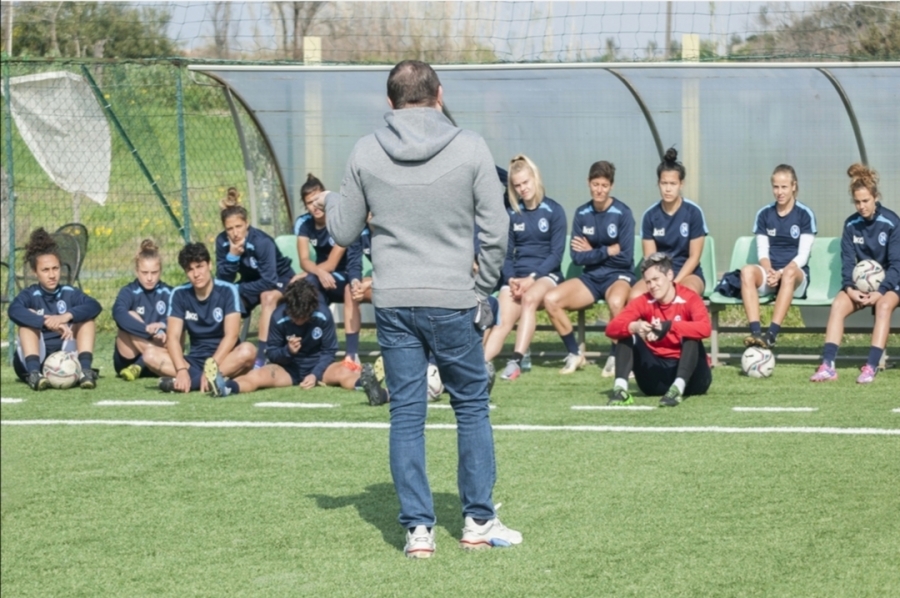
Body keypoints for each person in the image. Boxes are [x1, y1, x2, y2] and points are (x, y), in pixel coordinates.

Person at [321, 60, 521, 558]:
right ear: (439, 95)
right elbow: (497, 229)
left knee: (406, 415)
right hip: (454, 299)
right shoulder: (471, 146)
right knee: (471, 406)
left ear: (389, 103)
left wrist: (327, 198)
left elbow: (343, 232)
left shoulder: (367, 149)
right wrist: (483, 289)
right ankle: (477, 522)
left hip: (393, 302)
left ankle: (419, 532)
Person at [206, 279, 387, 403]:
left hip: (320, 368)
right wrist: (288, 351)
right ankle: (225, 388)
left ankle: (374, 390)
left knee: (343, 371)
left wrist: (314, 375)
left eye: (303, 317)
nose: (298, 321)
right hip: (288, 369)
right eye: (294, 317)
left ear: (311, 308)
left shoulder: (322, 314)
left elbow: (329, 351)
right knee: (257, 375)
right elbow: (272, 352)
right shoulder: (278, 316)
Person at [543, 160, 635, 375]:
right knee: (551, 299)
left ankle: (615, 355)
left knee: (615, 302)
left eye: (604, 185)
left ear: (611, 186)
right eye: (595, 184)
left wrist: (591, 251)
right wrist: (605, 251)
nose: (599, 190)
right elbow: (576, 257)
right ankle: (575, 353)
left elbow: (625, 257)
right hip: (591, 278)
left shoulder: (623, 213)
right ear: (588, 183)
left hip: (618, 276)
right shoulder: (582, 213)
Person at [810, 164, 899, 384]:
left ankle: (870, 367)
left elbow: (897, 265)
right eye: (857, 202)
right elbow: (848, 263)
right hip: (861, 286)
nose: (861, 206)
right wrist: (850, 288)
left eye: (865, 201)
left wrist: (881, 291)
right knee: (839, 304)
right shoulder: (850, 225)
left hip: (890, 283)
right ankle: (828, 366)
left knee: (884, 306)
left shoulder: (891, 222)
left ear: (875, 197)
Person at [483, 154, 567, 381]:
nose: (522, 188)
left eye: (525, 182)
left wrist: (532, 278)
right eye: (517, 185)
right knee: (500, 321)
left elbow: (556, 254)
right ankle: (478, 369)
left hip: (546, 275)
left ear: (535, 178)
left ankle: (516, 362)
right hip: (517, 278)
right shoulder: (511, 213)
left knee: (529, 299)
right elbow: (506, 254)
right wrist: (510, 278)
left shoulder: (554, 210)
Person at [605, 252, 712, 407]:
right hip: (655, 381)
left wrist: (670, 326)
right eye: (648, 282)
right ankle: (620, 390)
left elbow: (705, 329)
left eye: (656, 279)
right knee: (626, 332)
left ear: (669, 275)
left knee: (691, 333)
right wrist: (633, 326)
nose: (652, 286)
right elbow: (611, 329)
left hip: (693, 381)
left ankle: (677, 389)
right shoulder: (644, 301)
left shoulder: (689, 298)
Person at [8, 228, 102, 390]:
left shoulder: (69, 293)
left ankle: (85, 370)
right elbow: (13, 310)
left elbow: (95, 306)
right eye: (45, 270)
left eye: (55, 268)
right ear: (35, 272)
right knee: (26, 323)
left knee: (87, 319)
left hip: (64, 355)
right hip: (36, 356)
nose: (52, 275)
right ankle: (34, 374)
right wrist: (46, 322)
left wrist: (66, 316)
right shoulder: (29, 294)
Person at [159, 242, 256, 394]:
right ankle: (209, 381)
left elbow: (232, 336)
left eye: (199, 266)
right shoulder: (178, 294)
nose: (196, 274)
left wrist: (212, 367)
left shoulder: (228, 290)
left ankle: (193, 383)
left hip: (224, 358)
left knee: (248, 351)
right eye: (190, 269)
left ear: (210, 265)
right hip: (193, 361)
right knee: (150, 355)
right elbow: (173, 337)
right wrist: (181, 369)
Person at [215, 187, 296, 369]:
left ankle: (262, 357)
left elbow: (269, 281)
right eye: (230, 228)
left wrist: (238, 289)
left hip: (280, 279)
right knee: (224, 299)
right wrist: (232, 257)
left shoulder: (261, 241)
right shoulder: (222, 242)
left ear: (247, 224)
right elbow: (223, 280)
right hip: (251, 281)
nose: (235, 233)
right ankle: (227, 350)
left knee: (267, 297)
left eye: (239, 227)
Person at [741, 164, 817, 349]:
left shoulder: (805, 215)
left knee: (791, 272)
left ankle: (772, 335)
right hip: (772, 274)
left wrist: (782, 272)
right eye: (776, 187)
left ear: (794, 186)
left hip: (794, 276)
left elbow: (803, 256)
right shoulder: (764, 214)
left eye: (784, 187)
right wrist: (769, 271)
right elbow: (762, 251)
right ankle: (756, 333)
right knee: (746, 272)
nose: (779, 192)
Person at [294, 173, 362, 371]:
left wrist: (315, 273)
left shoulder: (339, 218)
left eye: (317, 200)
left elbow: (332, 263)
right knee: (310, 287)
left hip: (344, 274)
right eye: (309, 203)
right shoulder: (303, 223)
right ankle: (320, 349)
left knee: (350, 290)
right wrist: (316, 273)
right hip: (322, 275)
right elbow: (304, 260)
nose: (314, 206)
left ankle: (351, 355)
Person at [631, 148, 708, 301]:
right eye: (663, 183)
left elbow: (694, 257)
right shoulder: (650, 216)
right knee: (634, 296)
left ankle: (691, 325)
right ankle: (646, 326)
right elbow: (650, 258)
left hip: (688, 274)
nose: (667, 188)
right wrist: (661, 281)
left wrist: (674, 282)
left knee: (685, 294)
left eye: (672, 183)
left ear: (681, 184)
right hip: (658, 274)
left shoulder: (694, 212)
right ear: (658, 183)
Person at [112, 239, 173, 381]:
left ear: (161, 271)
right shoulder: (129, 291)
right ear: (136, 271)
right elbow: (118, 314)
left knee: (175, 324)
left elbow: (182, 318)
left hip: (160, 356)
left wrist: (163, 326)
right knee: (131, 315)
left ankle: (141, 365)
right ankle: (139, 363)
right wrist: (148, 331)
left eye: (154, 272)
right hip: (129, 360)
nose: (150, 278)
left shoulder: (170, 292)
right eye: (144, 273)